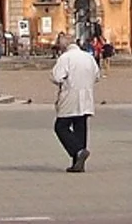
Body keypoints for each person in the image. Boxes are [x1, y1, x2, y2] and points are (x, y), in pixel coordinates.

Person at [51, 42, 100, 173]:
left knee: (60, 127)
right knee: (80, 127)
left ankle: (78, 151)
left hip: (70, 96)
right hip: (87, 96)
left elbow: (56, 77)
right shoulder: (89, 57)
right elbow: (97, 76)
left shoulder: (65, 58)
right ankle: (78, 163)